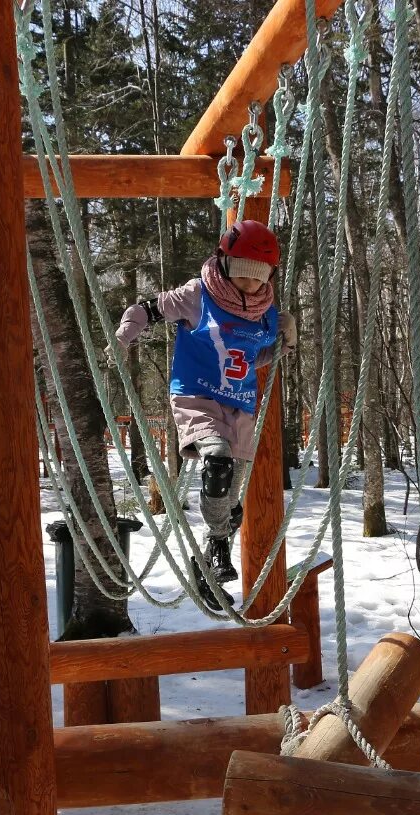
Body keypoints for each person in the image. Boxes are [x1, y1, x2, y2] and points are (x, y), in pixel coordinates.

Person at [111, 220, 296, 611]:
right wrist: (124, 336)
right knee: (218, 461)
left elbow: (252, 358)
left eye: (260, 276)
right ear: (226, 264)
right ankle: (216, 542)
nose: (250, 284)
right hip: (197, 398)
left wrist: (283, 342)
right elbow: (145, 309)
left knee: (231, 499)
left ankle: (210, 562)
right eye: (243, 274)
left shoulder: (266, 311)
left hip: (240, 405)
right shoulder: (198, 295)